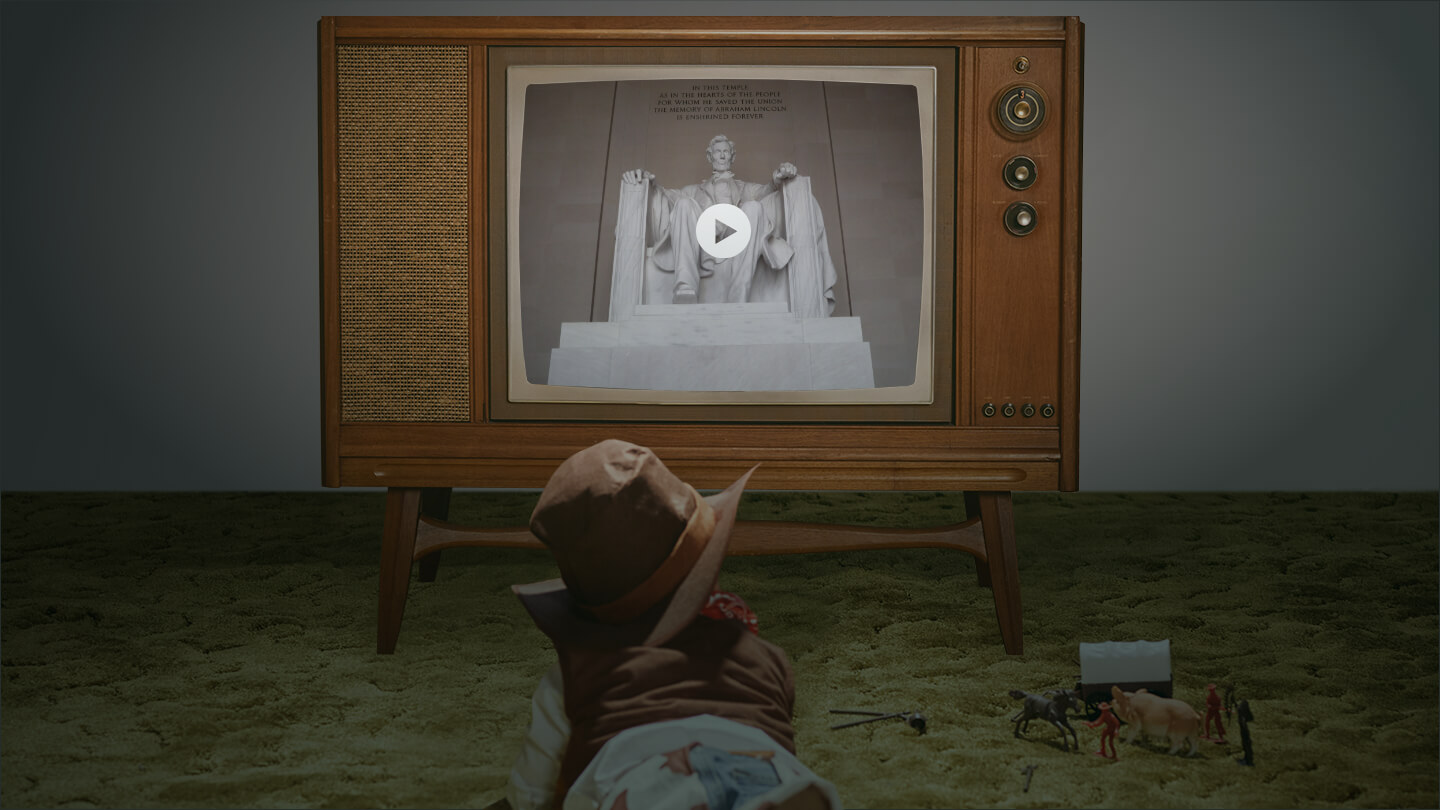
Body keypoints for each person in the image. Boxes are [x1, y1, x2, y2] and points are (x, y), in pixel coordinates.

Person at [505, 439, 841, 810]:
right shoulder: (768, 658)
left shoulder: (570, 675)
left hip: (639, 772)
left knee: (661, 794)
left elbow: (530, 794)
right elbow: (779, 735)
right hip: (758, 760)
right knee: (763, 778)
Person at [623, 135, 834, 312]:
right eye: (717, 151)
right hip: (704, 240)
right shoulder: (692, 191)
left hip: (739, 240)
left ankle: (739, 291)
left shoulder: (746, 188)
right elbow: (667, 197)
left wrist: (779, 178)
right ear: (709, 156)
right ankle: (685, 285)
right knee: (684, 204)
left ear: (732, 157)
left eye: (726, 151)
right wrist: (649, 182)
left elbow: (767, 191)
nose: (722, 155)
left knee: (754, 207)